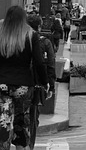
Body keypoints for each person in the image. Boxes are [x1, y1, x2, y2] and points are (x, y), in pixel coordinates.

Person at [0, 5, 48, 150]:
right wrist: (45, 82)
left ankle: (3, 144)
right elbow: (39, 62)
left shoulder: (1, 33)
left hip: (2, 83)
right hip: (23, 84)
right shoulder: (30, 34)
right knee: (22, 122)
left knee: (4, 121)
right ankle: (21, 146)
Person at [26, 14, 56, 149]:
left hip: (18, 83)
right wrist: (50, 85)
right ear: (39, 26)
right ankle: (29, 144)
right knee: (33, 116)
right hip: (36, 84)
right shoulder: (44, 42)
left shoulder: (19, 38)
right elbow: (50, 64)